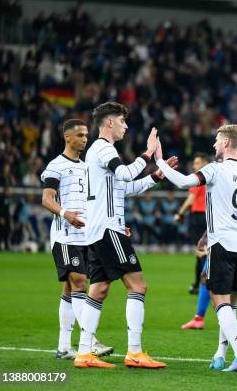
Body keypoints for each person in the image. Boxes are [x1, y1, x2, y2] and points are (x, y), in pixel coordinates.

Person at [155, 124, 237, 372]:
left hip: (223, 244)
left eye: (217, 141)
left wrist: (160, 161)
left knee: (218, 301)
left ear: (227, 143)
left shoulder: (215, 170)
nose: (214, 145)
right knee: (230, 304)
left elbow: (184, 182)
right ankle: (220, 354)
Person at [75, 101, 176, 369]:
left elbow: (125, 187)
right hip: (109, 229)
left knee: (98, 289)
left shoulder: (99, 153)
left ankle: (84, 353)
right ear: (109, 123)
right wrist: (148, 152)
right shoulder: (103, 149)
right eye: (122, 121)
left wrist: (157, 176)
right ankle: (134, 352)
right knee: (138, 286)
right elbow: (125, 172)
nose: (126, 126)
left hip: (97, 230)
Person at [40, 119, 112, 360]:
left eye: (86, 135)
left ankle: (63, 346)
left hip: (86, 235)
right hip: (65, 236)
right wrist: (64, 213)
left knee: (70, 289)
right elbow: (47, 199)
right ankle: (89, 340)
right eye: (80, 135)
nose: (84, 139)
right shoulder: (55, 166)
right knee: (80, 282)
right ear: (67, 137)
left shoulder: (87, 167)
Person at [174, 153, 209, 296]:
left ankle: (205, 283)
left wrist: (180, 213)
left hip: (199, 216)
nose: (195, 166)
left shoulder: (198, 177)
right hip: (210, 217)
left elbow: (191, 198)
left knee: (201, 251)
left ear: (204, 163)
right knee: (203, 251)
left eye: (197, 163)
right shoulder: (212, 176)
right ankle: (197, 284)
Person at [0, 185, 11, 251]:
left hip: (7, 217)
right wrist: (1, 217)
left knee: (6, 232)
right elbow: (0, 208)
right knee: (1, 233)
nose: (9, 192)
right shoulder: (1, 198)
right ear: (5, 191)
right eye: (8, 191)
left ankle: (6, 247)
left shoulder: (7, 198)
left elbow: (7, 209)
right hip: (1, 218)